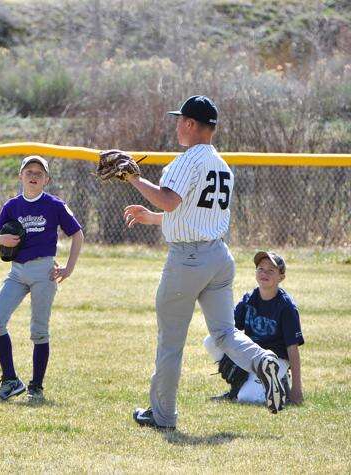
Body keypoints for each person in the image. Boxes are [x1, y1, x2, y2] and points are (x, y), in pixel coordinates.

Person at [121, 95, 287, 430]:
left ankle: (162, 416)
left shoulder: (187, 160)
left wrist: (133, 178)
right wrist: (152, 217)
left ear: (192, 124)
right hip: (218, 256)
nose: (177, 125)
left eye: (181, 120)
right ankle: (263, 359)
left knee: (170, 341)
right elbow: (190, 214)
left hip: (188, 259)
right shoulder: (222, 166)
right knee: (225, 332)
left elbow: (170, 201)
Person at [0, 155, 84, 402]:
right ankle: (10, 380)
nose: (33, 176)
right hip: (17, 271)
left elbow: (77, 234)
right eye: (28, 171)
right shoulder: (12, 206)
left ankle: (36, 387)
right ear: (20, 176)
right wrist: (0, 240)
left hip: (44, 271)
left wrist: (69, 268)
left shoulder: (54, 205)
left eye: (39, 173)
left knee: (39, 331)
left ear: (46, 179)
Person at [205, 251, 304, 405]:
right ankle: (237, 388)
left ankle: (282, 383)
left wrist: (297, 389)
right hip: (252, 356)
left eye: (271, 270)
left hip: (276, 360)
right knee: (212, 340)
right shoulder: (249, 299)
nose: (264, 273)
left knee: (247, 398)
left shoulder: (286, 307)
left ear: (281, 277)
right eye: (260, 269)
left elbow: (292, 348)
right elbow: (229, 330)